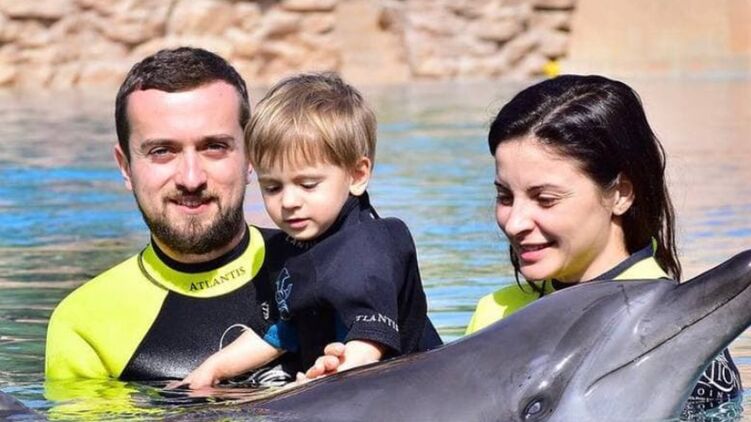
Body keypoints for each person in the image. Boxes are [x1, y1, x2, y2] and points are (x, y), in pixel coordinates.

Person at [465, 75, 742, 415]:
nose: (514, 222)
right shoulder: (495, 312)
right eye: (505, 196)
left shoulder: (674, 338)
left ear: (621, 194)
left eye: (546, 199)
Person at [45, 47, 300, 385]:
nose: (191, 179)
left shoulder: (329, 263)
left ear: (251, 156)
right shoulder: (83, 324)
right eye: (162, 151)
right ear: (125, 167)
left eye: (214, 147)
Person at [177, 72, 442, 389]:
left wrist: (328, 380)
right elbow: (278, 332)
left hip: (411, 390)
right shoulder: (287, 250)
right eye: (272, 187)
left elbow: (369, 342)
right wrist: (212, 370)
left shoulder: (372, 244)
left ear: (357, 175)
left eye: (308, 185)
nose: (289, 202)